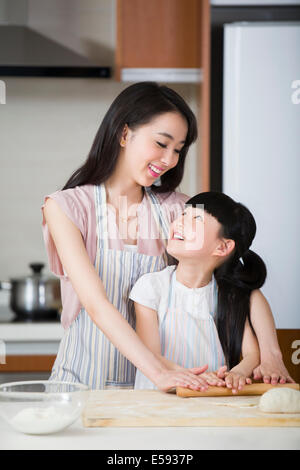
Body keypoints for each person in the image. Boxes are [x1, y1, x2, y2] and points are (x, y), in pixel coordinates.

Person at [41, 81, 209, 391]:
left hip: (159, 385)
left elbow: (228, 282)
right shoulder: (66, 207)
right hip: (80, 387)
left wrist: (266, 354)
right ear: (124, 133)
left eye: (178, 149)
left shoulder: (179, 209)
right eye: (162, 143)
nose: (170, 159)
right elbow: (95, 303)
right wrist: (158, 372)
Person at [130, 192, 295, 392]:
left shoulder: (228, 296)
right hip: (156, 405)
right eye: (183, 214)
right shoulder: (151, 287)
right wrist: (191, 377)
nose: (180, 222)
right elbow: (149, 353)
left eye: (196, 219)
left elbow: (252, 353)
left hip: (209, 403)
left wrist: (238, 373)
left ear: (223, 247)